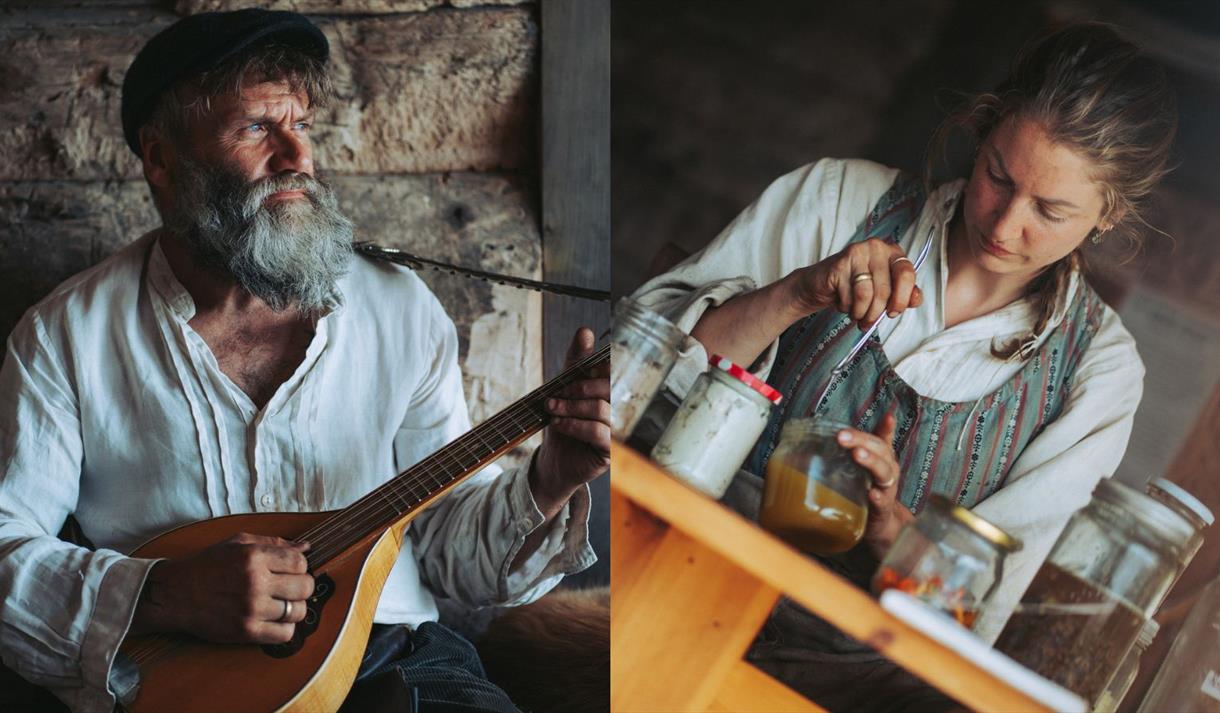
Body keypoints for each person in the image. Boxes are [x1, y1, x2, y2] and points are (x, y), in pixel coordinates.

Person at [0, 9, 608, 713]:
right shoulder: (65, 337)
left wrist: (550, 481)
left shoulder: (399, 311)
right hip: (181, 679)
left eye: (302, 124)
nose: (296, 157)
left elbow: (446, 547)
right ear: (160, 159)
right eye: (257, 127)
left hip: (393, 662)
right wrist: (164, 594)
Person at [630, 22, 1174, 710]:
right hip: (675, 571)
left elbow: (993, 607)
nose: (1005, 225)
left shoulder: (1097, 371)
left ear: (1108, 214)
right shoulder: (839, 201)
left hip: (855, 679)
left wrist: (893, 528)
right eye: (997, 176)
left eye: (1050, 209)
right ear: (981, 134)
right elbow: (641, 375)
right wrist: (799, 293)